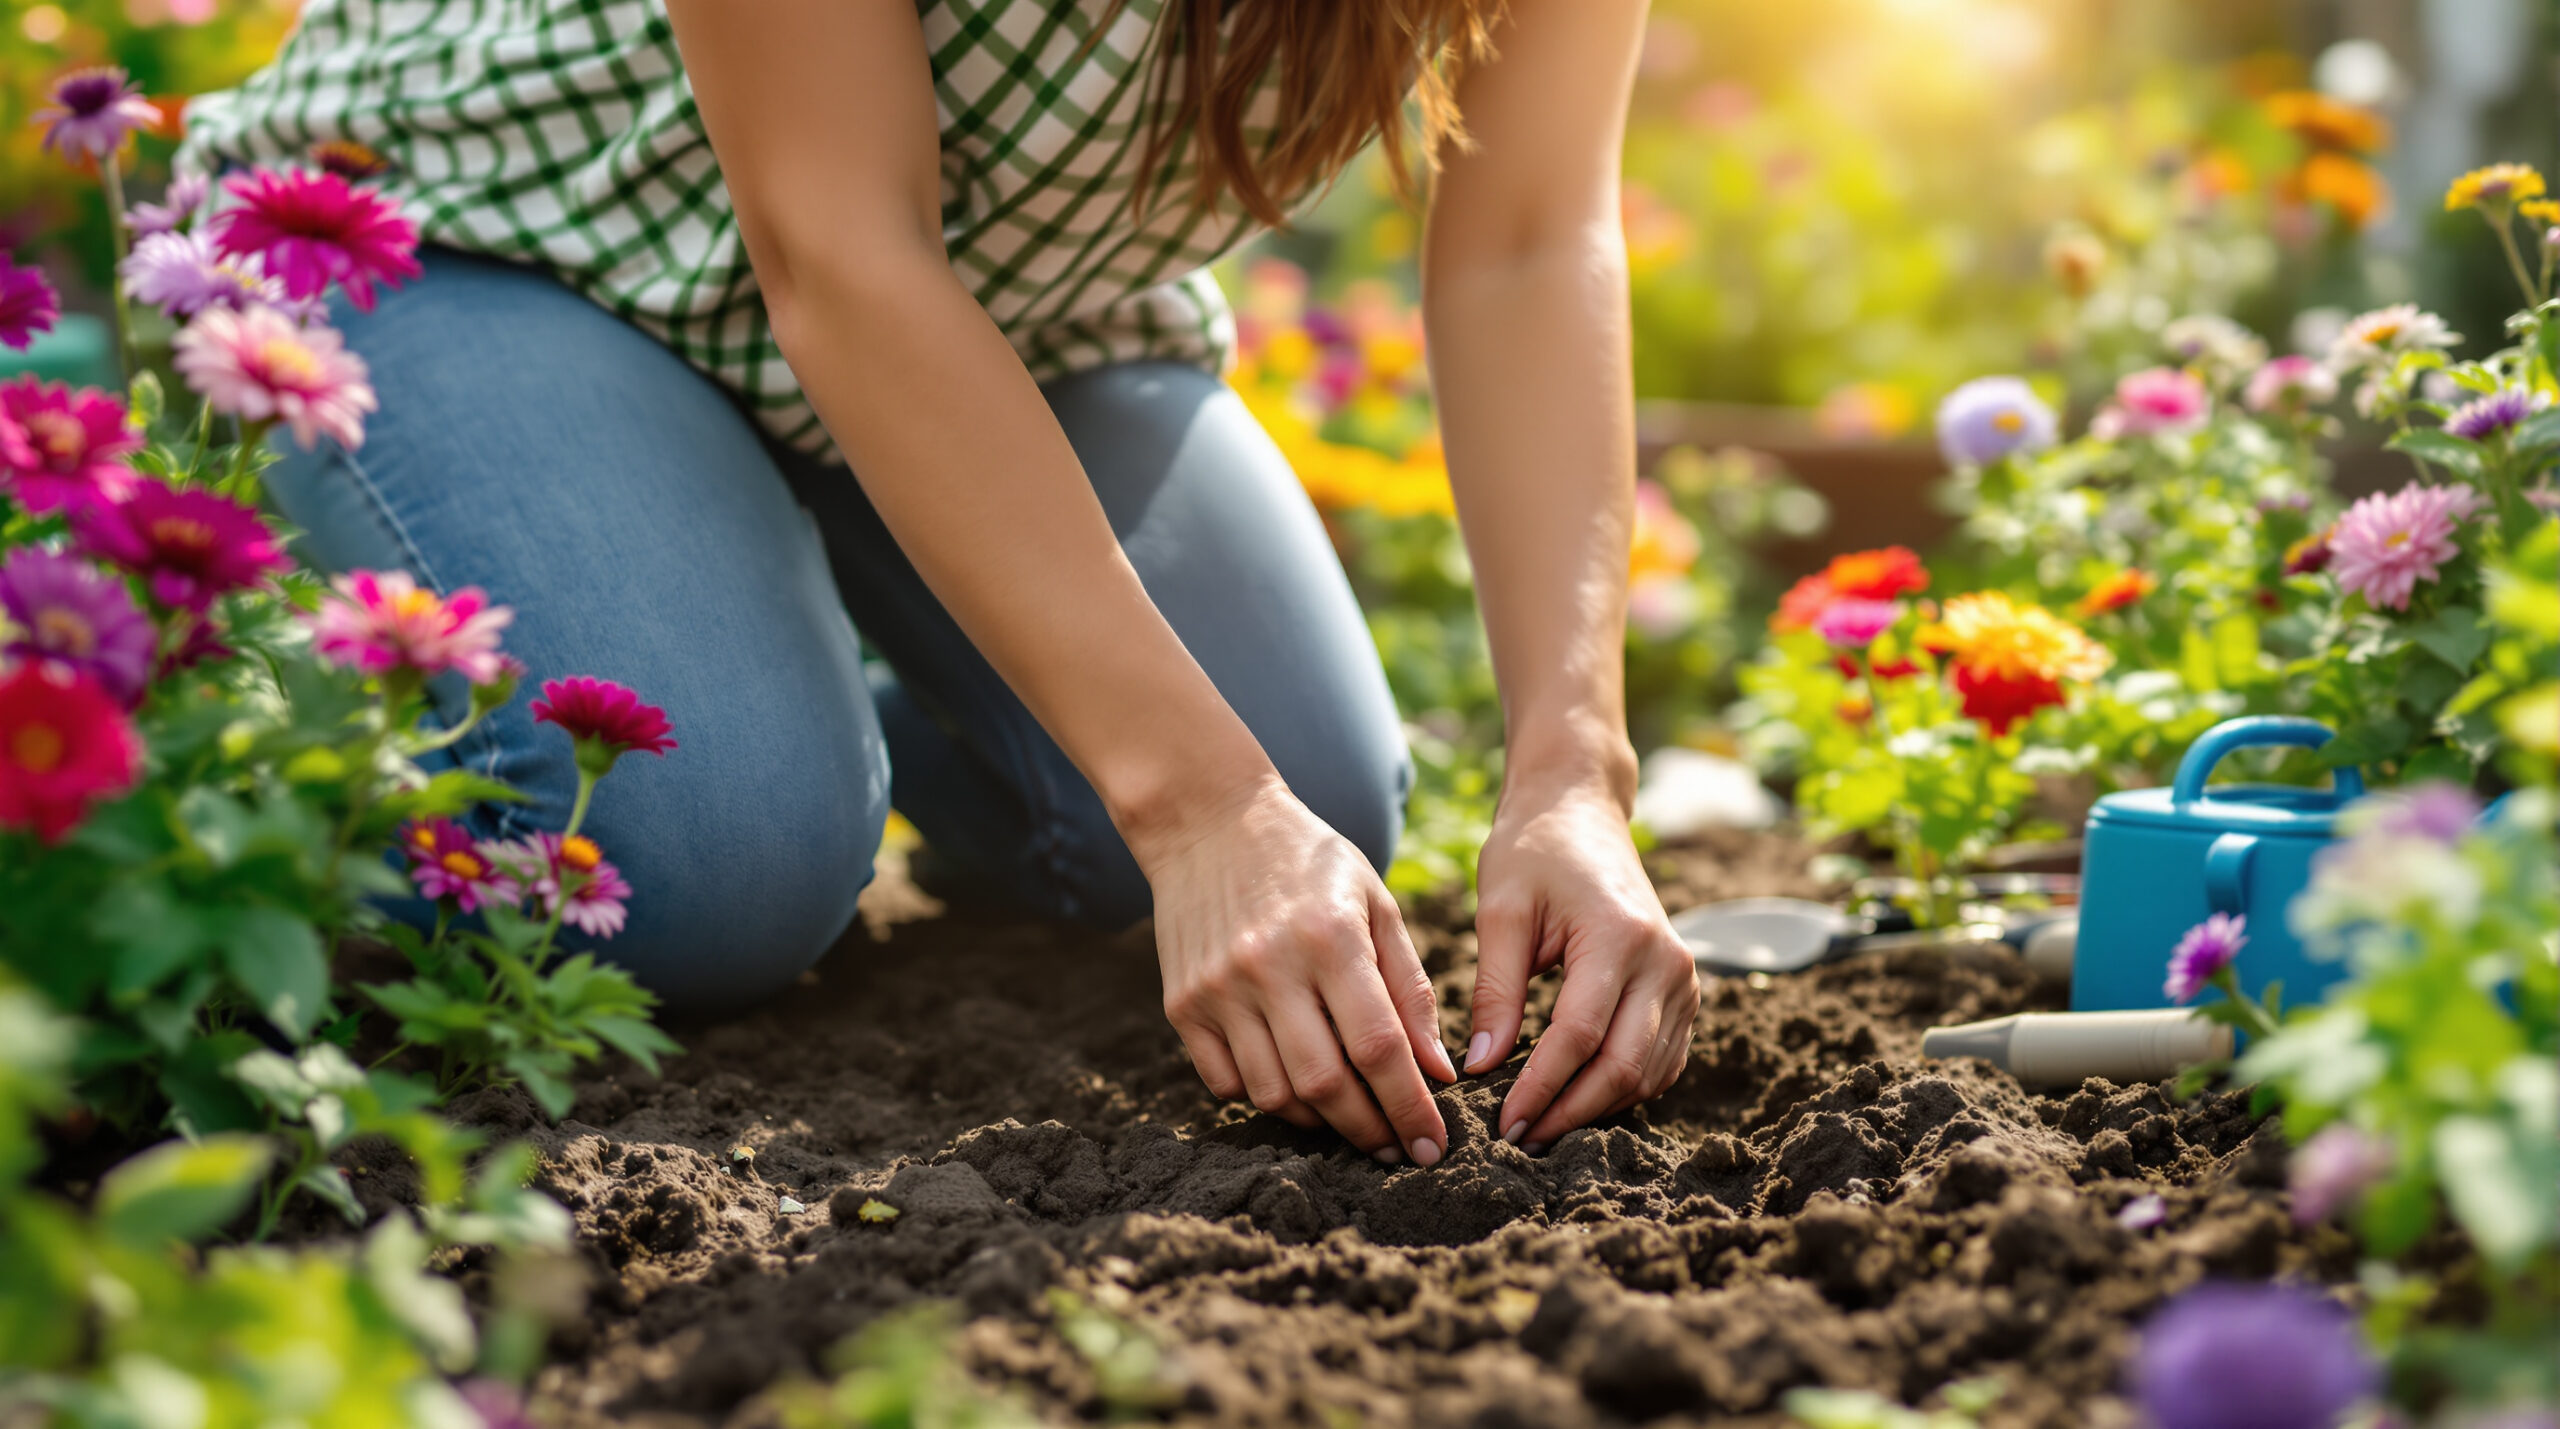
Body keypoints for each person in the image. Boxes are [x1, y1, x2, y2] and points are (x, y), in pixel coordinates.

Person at [177, 0, 1697, 1169]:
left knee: (1313, 793)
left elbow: (1525, 235)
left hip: (1007, 308)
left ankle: (752, 627)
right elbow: (836, 241)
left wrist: (1574, 772)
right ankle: (233, 789)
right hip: (501, 239)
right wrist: (1194, 803)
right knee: (718, 868)